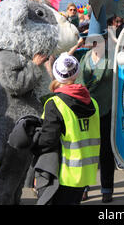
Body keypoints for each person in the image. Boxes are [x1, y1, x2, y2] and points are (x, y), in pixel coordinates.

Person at [31, 53, 100, 205]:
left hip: (63, 174)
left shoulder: (54, 103)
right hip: (85, 173)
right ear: (77, 73)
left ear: (56, 75)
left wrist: (32, 141)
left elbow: (48, 141)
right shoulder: (93, 103)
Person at [73, 9, 115, 203]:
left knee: (105, 152)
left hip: (106, 110)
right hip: (87, 112)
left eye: (98, 39)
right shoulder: (84, 58)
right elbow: (79, 84)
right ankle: (85, 186)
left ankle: (107, 189)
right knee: (87, 152)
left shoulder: (113, 59)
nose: (94, 43)